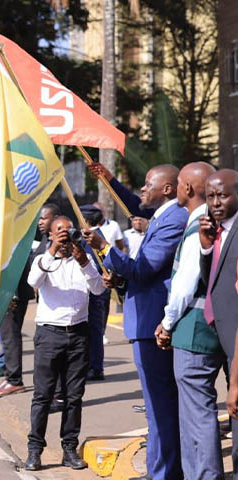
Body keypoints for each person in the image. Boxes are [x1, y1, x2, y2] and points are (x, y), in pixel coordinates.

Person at [85, 162, 187, 480]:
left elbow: (144, 269)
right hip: (146, 319)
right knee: (157, 406)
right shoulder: (164, 214)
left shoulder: (174, 218)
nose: (142, 189)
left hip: (153, 322)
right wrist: (109, 178)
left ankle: (165, 473)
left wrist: (104, 248)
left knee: (160, 405)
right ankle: (161, 470)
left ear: (167, 189)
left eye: (147, 184)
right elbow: (133, 204)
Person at [151, 162, 223, 480]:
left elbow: (184, 286)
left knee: (197, 413)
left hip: (194, 327)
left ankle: (204, 475)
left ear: (188, 189)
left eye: (180, 184)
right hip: (215, 324)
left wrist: (167, 323)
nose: (179, 189)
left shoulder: (198, 228)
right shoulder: (218, 224)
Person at [23, 216, 105, 471]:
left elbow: (99, 289)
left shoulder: (84, 260)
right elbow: (32, 282)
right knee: (43, 396)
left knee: (74, 397)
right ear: (50, 235)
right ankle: (35, 450)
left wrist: (83, 262)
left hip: (78, 334)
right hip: (50, 334)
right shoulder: (43, 260)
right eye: (59, 232)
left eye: (68, 231)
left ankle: (69, 448)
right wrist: (52, 250)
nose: (65, 236)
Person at [0, 203, 60, 399]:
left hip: (17, 296)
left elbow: (18, 267)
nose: (39, 222)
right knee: (9, 336)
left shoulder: (20, 238)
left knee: (10, 336)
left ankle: (15, 379)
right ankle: (15, 378)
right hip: (29, 296)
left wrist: (12, 294)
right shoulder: (43, 239)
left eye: (43, 218)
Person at [199, 169, 238, 471]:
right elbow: (211, 282)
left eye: (222, 195)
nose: (215, 202)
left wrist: (235, 383)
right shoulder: (220, 231)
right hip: (226, 343)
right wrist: (206, 246)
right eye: (210, 196)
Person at [79, 205, 112, 382]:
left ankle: (95, 367)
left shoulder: (90, 238)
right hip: (96, 288)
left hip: (93, 289)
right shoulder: (96, 234)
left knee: (94, 330)